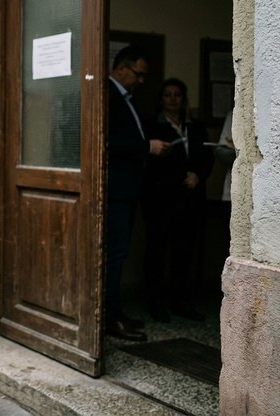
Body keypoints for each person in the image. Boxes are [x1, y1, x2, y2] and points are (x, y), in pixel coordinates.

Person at [105, 46, 170, 342]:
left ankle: (114, 313)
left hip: (127, 190)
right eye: (138, 74)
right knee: (113, 255)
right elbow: (105, 140)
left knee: (119, 254)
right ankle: (109, 318)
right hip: (115, 191)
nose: (142, 81)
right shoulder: (107, 93)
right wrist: (147, 148)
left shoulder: (126, 98)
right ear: (122, 68)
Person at [141, 78, 213, 323]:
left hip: (190, 198)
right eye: (168, 95)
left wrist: (198, 175)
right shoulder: (151, 126)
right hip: (161, 199)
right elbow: (148, 163)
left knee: (184, 251)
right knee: (157, 251)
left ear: (183, 99)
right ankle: (156, 302)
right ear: (161, 99)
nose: (172, 99)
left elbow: (207, 158)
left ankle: (179, 300)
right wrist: (176, 176)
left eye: (177, 95)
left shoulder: (195, 127)